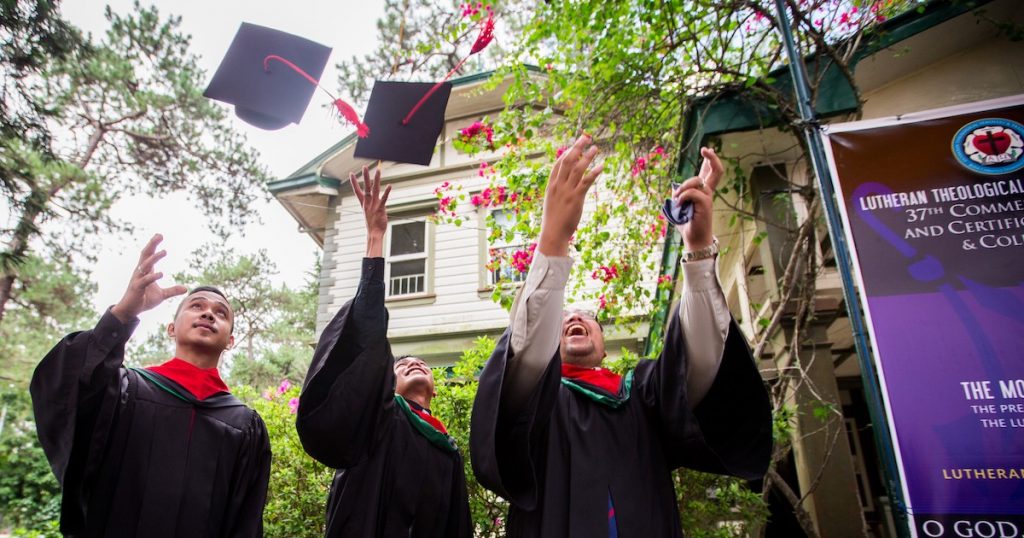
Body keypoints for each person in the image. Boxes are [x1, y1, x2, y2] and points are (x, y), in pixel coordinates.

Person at [470, 135, 773, 537]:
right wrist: (553, 241)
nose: (575, 320)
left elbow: (699, 364)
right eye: (566, 319)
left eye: (587, 318)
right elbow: (526, 355)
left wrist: (698, 252)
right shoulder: (540, 402)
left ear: (605, 346)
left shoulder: (641, 396)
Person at [30, 234, 271, 537]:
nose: (209, 313)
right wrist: (124, 312)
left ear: (231, 341)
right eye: (196, 306)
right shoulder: (125, 391)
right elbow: (65, 385)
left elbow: (245, 524)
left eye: (221, 312)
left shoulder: (245, 425)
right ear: (171, 328)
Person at [295, 166, 472, 538]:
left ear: (437, 389)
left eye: (420, 362)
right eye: (402, 364)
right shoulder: (377, 420)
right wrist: (375, 239)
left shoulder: (449, 450)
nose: (413, 363)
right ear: (384, 387)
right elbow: (368, 332)